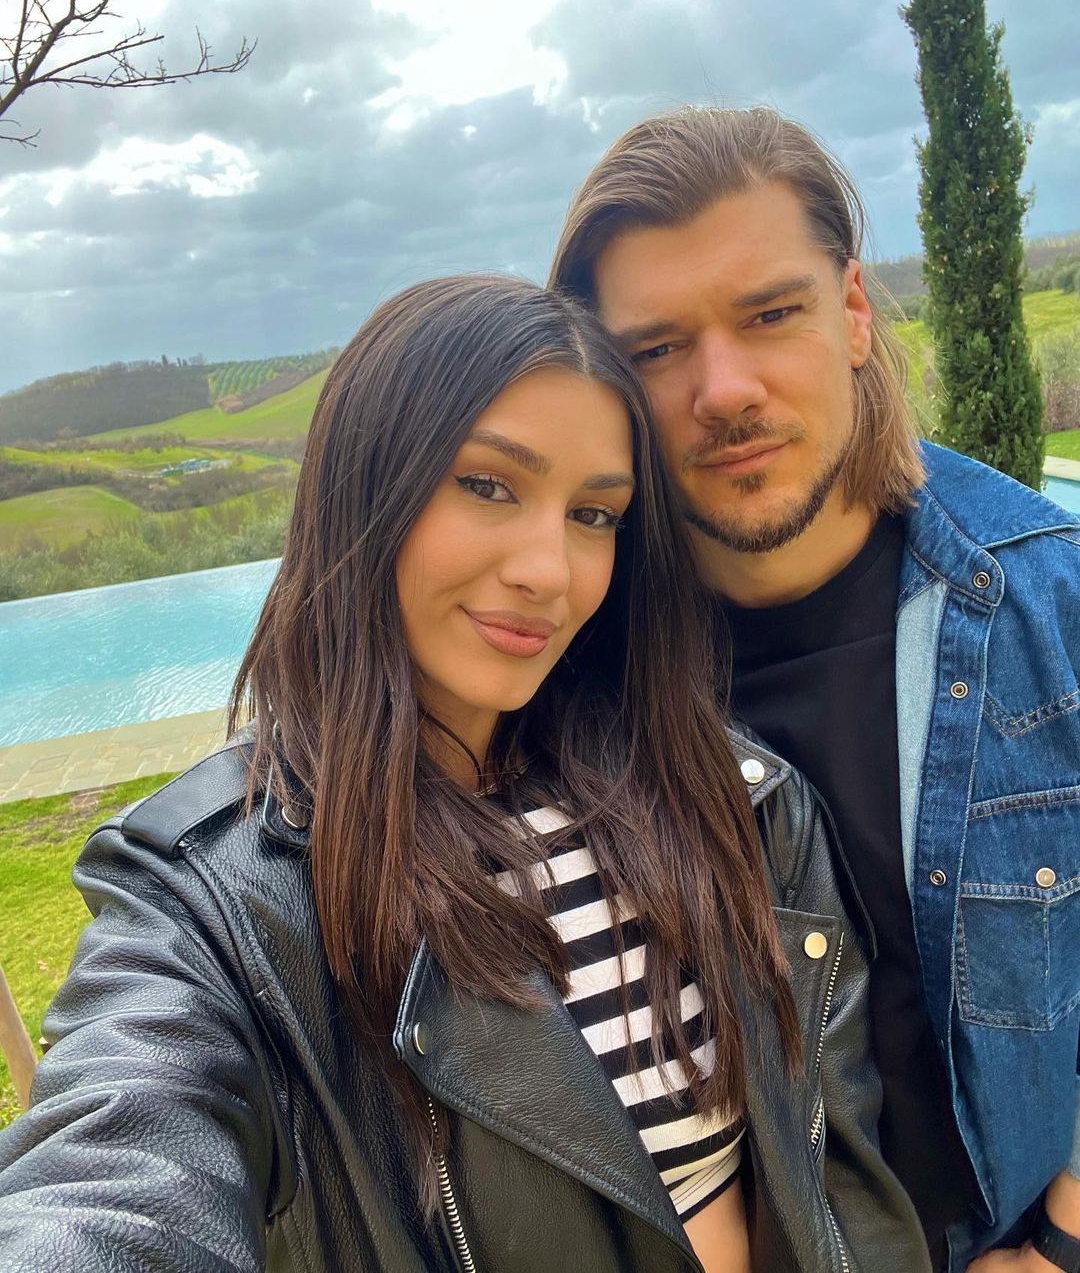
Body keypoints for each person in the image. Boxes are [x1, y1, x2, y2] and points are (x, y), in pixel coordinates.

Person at [0, 275, 927, 1271]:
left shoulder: (730, 796)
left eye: (595, 514)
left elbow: (843, 1174)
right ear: (369, 486)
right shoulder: (223, 906)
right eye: (488, 486)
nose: (549, 570)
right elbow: (116, 1172)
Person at [549, 105, 1080, 1273]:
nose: (722, 389)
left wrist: (1061, 1242)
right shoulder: (567, 672)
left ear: (851, 312)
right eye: (655, 350)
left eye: (769, 314)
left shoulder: (1051, 607)